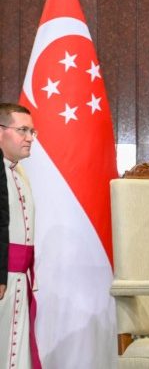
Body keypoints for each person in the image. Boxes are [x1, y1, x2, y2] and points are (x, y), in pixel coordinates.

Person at [0, 103, 40, 369]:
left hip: (17, 279)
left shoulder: (18, 171)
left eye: (32, 131)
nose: (29, 138)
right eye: (22, 130)